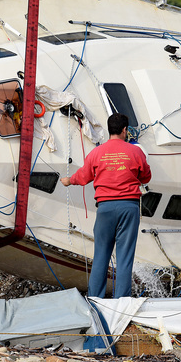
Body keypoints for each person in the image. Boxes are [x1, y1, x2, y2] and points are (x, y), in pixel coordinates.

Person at [61, 113, 151, 298]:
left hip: (105, 209)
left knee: (101, 256)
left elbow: (83, 176)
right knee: (125, 259)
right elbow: (146, 177)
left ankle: (95, 300)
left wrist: (68, 180)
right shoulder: (136, 152)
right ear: (125, 130)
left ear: (109, 130)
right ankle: (122, 302)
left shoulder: (96, 153)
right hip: (129, 208)